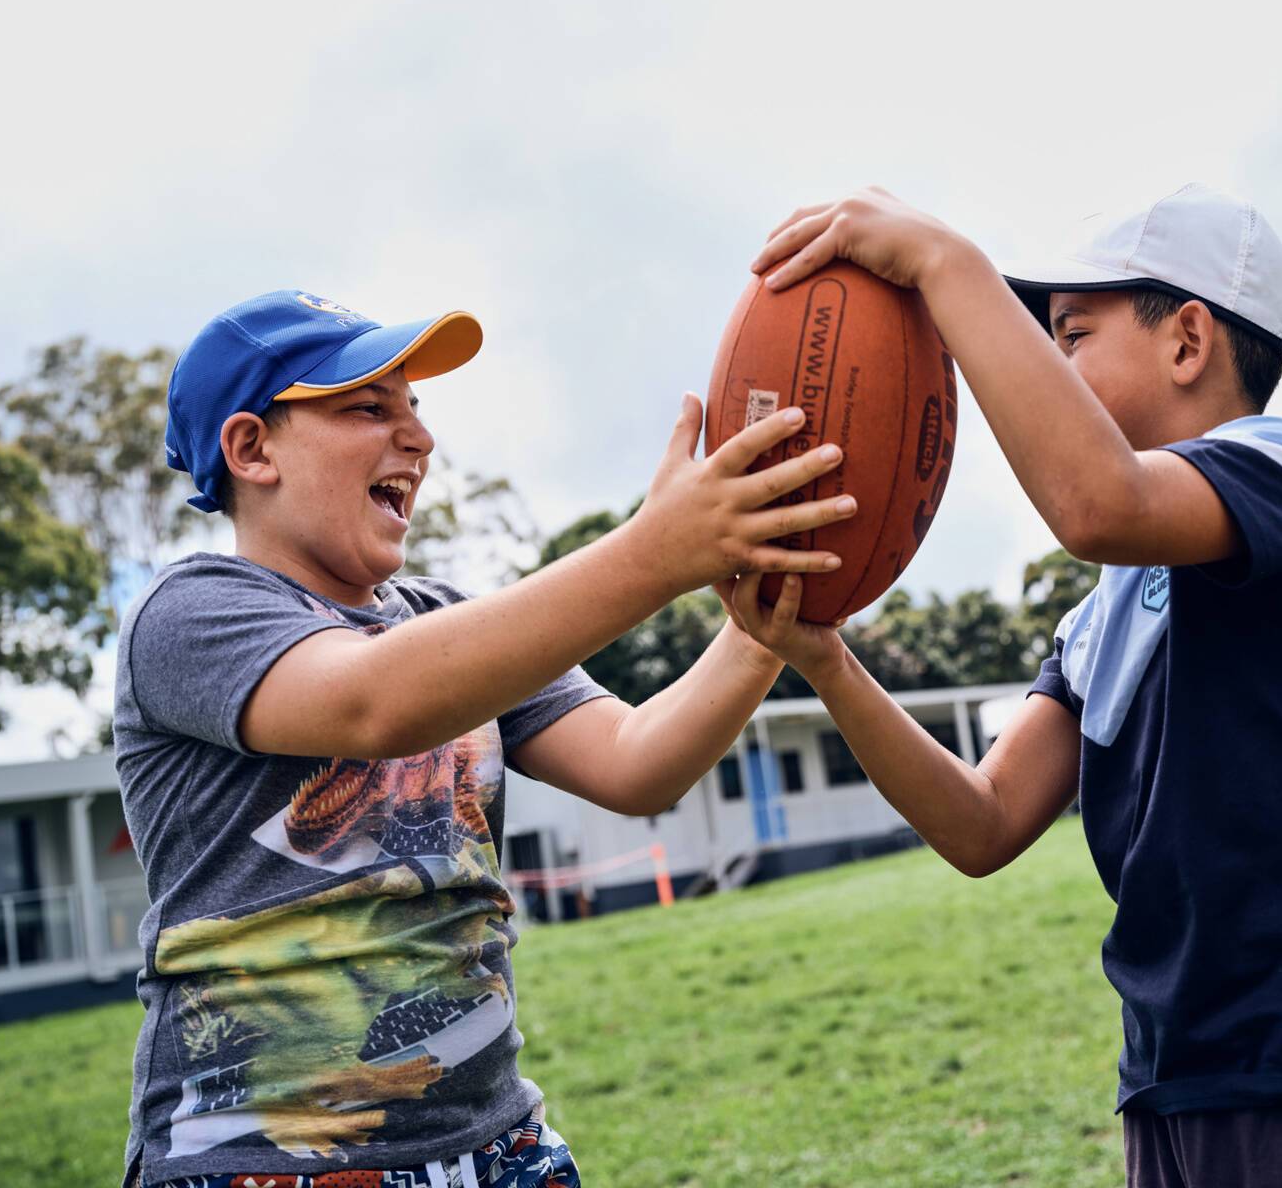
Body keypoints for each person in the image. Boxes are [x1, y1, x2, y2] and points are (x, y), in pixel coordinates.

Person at [720, 185, 1282, 1187]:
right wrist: (823, 656)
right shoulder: (1102, 614)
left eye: (1071, 336)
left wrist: (945, 260)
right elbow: (982, 823)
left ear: (1189, 342)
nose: (1050, 361)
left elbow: (1096, 504)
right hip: (1176, 1073)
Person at [115, 290, 857, 1188]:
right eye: (369, 408)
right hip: (260, 1162)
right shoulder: (189, 614)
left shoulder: (446, 622)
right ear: (251, 449)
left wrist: (761, 631)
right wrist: (656, 552)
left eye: (414, 408)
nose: (419, 438)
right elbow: (374, 703)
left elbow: (637, 761)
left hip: (499, 1145)